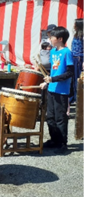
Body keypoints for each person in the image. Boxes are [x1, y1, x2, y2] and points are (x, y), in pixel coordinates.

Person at [39, 26, 74, 155]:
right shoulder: (53, 51)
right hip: (52, 89)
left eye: (52, 37)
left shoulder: (67, 52)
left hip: (62, 91)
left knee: (60, 118)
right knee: (50, 117)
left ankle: (63, 143)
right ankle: (54, 140)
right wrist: (47, 81)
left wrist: (52, 79)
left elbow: (69, 73)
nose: (50, 39)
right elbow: (53, 71)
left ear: (59, 39)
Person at [69, 19, 85, 104]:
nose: (73, 26)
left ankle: (78, 98)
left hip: (81, 59)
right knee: (74, 79)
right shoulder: (76, 35)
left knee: (79, 79)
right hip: (74, 59)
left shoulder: (83, 36)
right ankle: (73, 97)